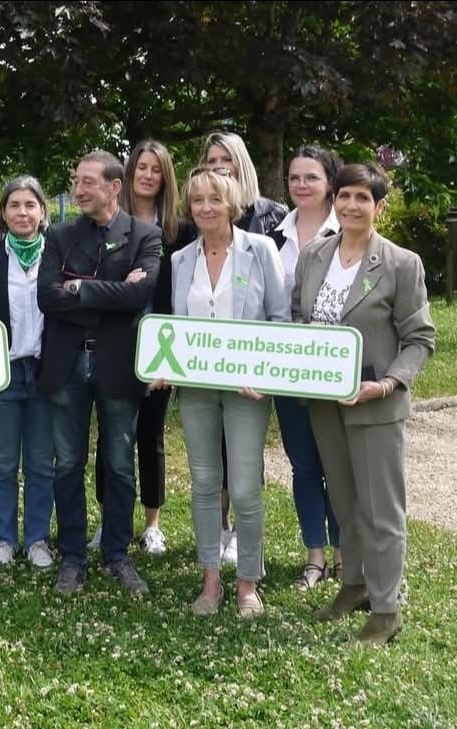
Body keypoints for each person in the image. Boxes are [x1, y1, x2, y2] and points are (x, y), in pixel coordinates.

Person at [294, 163, 435, 644]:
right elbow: (299, 317)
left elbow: (419, 338)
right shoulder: (314, 255)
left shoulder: (400, 264)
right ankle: (354, 585)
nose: (351, 205)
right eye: (344, 196)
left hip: (374, 404)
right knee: (344, 501)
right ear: (333, 200)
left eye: (362, 198)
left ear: (379, 206)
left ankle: (386, 610)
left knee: (380, 510)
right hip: (325, 402)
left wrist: (390, 383)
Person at [163, 167, 288, 619]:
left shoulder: (260, 250)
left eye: (214, 199)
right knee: (203, 484)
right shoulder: (181, 259)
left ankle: (248, 584)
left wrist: (266, 374)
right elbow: (175, 327)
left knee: (246, 487)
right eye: (197, 200)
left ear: (232, 204)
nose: (205, 208)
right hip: (196, 390)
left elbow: (279, 319)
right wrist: (164, 366)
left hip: (246, 389)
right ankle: (210, 581)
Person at [36, 150, 162, 596]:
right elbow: (47, 298)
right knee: (67, 463)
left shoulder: (145, 236)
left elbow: (138, 297)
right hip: (67, 363)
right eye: (76, 181)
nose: (78, 189)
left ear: (114, 186)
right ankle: (72, 556)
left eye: (88, 182)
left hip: (117, 364)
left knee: (120, 464)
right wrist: (112, 293)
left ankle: (117, 553)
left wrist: (80, 289)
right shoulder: (59, 235)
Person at [90, 140, 193, 557]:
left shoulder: (180, 231)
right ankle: (108, 519)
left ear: (166, 178)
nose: (148, 176)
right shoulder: (109, 225)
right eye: (142, 168)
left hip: (161, 346)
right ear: (128, 174)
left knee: (150, 435)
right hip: (115, 342)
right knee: (110, 436)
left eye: (156, 169)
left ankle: (152, 524)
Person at [198, 130, 290, 566]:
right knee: (211, 456)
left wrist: (266, 368)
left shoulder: (270, 219)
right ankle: (217, 529)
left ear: (241, 163)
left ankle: (240, 536)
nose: (219, 167)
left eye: (226, 159)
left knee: (245, 457)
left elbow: (277, 306)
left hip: (250, 365)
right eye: (211, 160)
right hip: (206, 366)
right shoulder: (196, 225)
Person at [270, 146, 343, 590]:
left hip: (331, 367)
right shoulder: (273, 236)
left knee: (338, 464)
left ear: (330, 182)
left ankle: (344, 553)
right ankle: (314, 556)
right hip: (285, 366)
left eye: (311, 177)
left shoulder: (347, 230)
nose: (301, 184)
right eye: (294, 177)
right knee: (304, 465)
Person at [0, 176, 55, 571]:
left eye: (30, 205)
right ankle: (3, 540)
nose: (22, 212)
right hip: (0, 374)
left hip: (44, 373)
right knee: (3, 462)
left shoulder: (58, 257)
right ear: (3, 213)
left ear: (42, 212)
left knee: (41, 462)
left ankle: (38, 539)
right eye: (14, 205)